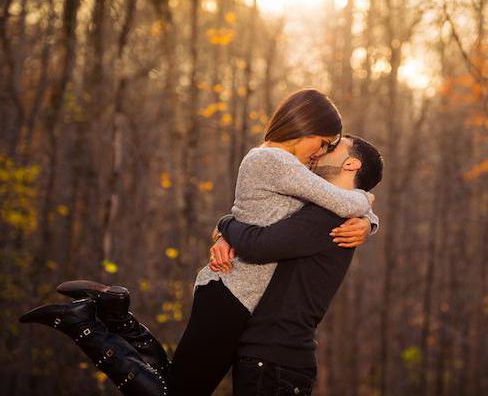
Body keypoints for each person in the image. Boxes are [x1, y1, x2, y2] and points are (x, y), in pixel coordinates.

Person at [18, 89, 379, 395]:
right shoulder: (275, 161)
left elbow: (310, 209)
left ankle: (116, 317)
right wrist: (367, 210)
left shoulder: (287, 168)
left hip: (234, 294)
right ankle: (83, 324)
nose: (321, 151)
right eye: (324, 141)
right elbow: (341, 202)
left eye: (333, 146)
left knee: (175, 383)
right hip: (232, 292)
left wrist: (366, 220)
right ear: (309, 128)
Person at [212, 134, 384, 395]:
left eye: (332, 146)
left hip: (276, 358)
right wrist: (369, 221)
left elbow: (260, 246)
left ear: (351, 164)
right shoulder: (326, 208)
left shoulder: (330, 215)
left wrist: (225, 224)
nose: (320, 150)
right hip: (273, 356)